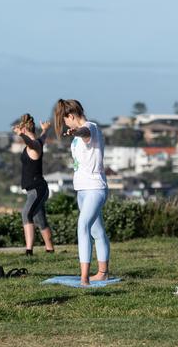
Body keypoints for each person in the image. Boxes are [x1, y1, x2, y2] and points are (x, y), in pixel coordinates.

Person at [54, 99, 110, 286]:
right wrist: (75, 133)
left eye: (66, 121)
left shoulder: (90, 128)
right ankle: (103, 273)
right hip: (82, 189)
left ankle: (84, 278)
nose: (66, 125)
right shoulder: (78, 135)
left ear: (71, 116)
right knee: (96, 230)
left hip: (95, 188)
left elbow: (85, 132)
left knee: (83, 226)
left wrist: (76, 131)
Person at [13, 113, 55, 255]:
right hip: (33, 190)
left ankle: (29, 251)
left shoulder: (33, 145)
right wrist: (46, 129)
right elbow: (42, 137)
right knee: (39, 218)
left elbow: (29, 142)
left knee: (26, 214)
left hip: (38, 189)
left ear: (24, 129)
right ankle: (50, 250)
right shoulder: (38, 142)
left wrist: (21, 136)